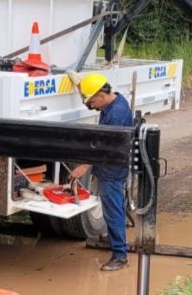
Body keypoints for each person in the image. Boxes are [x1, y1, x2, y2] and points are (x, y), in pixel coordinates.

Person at [69, 72, 133, 272]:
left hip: (112, 168)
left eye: (92, 101)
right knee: (115, 207)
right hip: (112, 165)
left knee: (113, 210)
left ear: (101, 94)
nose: (91, 105)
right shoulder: (114, 102)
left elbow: (105, 147)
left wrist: (84, 165)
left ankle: (120, 256)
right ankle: (115, 241)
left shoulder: (116, 114)